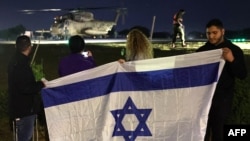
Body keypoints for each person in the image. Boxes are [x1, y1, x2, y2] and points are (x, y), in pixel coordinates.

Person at [196, 19, 247, 141]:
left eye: (215, 33)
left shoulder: (234, 50)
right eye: (209, 33)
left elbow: (242, 74)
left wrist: (232, 60)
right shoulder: (201, 52)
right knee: (202, 131)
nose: (211, 36)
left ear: (222, 31)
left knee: (219, 132)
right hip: (203, 99)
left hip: (222, 99)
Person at [8, 35, 46, 141]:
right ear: (29, 47)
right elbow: (26, 88)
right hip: (25, 110)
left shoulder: (14, 61)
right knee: (25, 137)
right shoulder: (22, 65)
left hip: (17, 108)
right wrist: (41, 84)